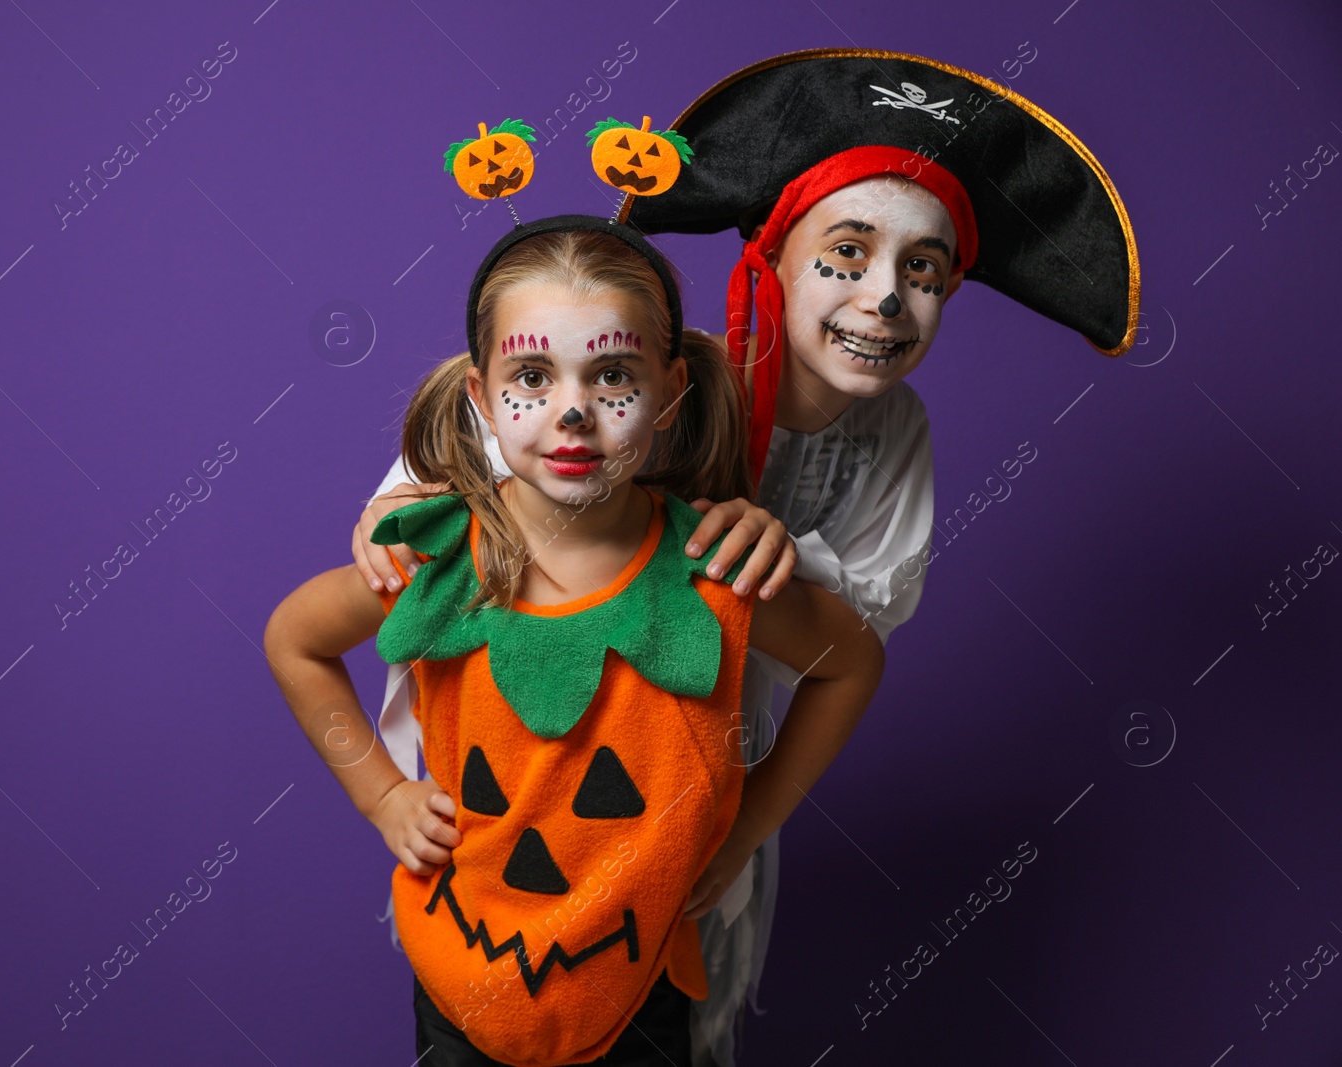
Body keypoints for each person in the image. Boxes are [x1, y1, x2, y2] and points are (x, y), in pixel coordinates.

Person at [361, 50, 1142, 1064]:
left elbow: (854, 637)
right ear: (774, 250)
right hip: (524, 780)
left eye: (924, 271)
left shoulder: (893, 435)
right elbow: (439, 490)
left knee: (673, 1020)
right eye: (848, 252)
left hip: (694, 788)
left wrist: (741, 821)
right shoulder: (642, 378)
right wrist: (391, 516)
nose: (885, 298)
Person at [265, 214, 885, 1065]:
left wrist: (747, 826)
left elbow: (851, 661)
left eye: (612, 376)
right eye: (531, 375)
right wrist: (380, 796)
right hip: (461, 972)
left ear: (669, 393)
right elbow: (295, 639)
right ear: (480, 397)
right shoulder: (436, 555)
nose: (572, 411)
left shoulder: (717, 571)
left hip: (638, 983)